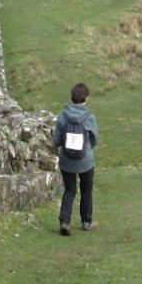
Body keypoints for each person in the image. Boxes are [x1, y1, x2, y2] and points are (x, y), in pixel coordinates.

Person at [52, 83, 100, 236]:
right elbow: (94, 140)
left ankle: (65, 222)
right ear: (86, 98)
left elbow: (56, 140)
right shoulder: (89, 117)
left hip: (66, 160)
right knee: (86, 190)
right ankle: (86, 221)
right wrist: (87, 150)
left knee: (69, 190)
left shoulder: (63, 116)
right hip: (86, 161)